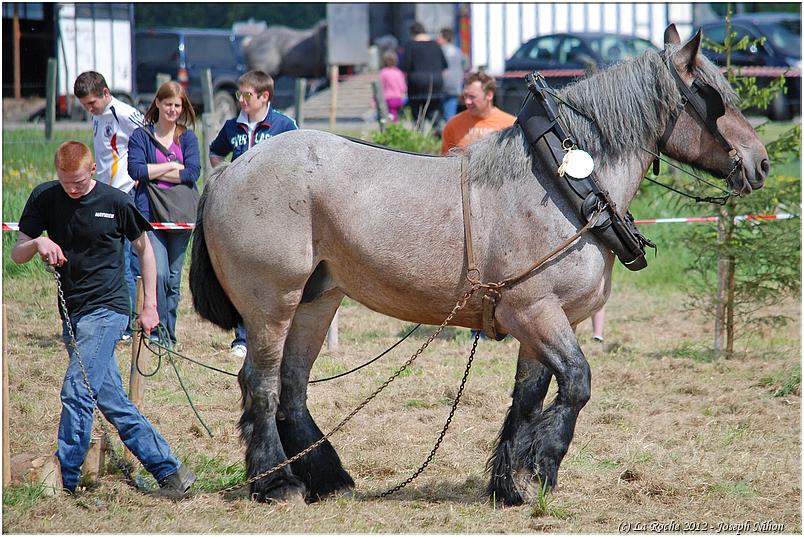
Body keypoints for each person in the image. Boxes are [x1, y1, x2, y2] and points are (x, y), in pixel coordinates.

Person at [11, 141, 195, 497]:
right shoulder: (44, 198)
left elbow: (146, 252)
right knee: (112, 401)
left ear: (93, 169)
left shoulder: (116, 202)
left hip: (108, 310)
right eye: (65, 182)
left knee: (77, 390)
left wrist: (150, 306)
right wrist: (38, 244)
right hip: (73, 315)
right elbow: (18, 253)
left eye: (79, 182)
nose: (72, 189)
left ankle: (65, 479)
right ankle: (171, 471)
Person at [209, 69, 298, 358]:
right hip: (241, 213)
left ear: (264, 96)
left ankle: (278, 336)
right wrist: (226, 175)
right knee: (244, 275)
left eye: (247, 95)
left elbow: (299, 161)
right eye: (240, 94)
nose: (241, 100)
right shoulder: (232, 127)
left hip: (275, 213)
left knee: (274, 276)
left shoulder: (284, 125)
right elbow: (215, 153)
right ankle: (242, 338)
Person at [127, 81, 201, 348]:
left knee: (173, 278)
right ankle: (156, 331)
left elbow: (192, 173)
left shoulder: (188, 138)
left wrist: (153, 171)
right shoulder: (141, 136)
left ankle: (169, 334)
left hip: (181, 215)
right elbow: (136, 171)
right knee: (157, 274)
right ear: (157, 103)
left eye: (177, 105)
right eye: (168, 104)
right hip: (150, 215)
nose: (172, 110)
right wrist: (171, 166)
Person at [74, 71, 144, 341]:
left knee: (124, 262)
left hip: (124, 195)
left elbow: (149, 136)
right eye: (85, 105)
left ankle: (129, 325)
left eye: (92, 103)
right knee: (113, 260)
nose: (89, 109)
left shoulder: (123, 113)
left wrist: (140, 175)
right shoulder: (98, 115)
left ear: (105, 93)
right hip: (104, 194)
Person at [441, 71, 516, 155]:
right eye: (465, 96)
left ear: (489, 95)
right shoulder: (453, 124)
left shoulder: (511, 124)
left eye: (472, 97)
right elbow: (445, 159)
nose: (467, 101)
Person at [400, 22, 447, 126]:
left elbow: (405, 66)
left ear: (412, 33)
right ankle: (440, 131)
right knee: (434, 113)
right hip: (436, 82)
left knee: (418, 115)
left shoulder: (410, 45)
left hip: (417, 84)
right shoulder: (435, 45)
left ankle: (419, 132)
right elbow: (444, 66)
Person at [436, 27, 467, 122]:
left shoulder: (440, 50)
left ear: (444, 38)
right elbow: (465, 64)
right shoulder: (458, 51)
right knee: (451, 111)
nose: (437, 39)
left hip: (443, 83)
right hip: (456, 84)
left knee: (439, 112)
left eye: (439, 37)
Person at [379, 50, 407, 122]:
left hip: (388, 98)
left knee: (391, 116)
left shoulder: (383, 72)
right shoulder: (398, 72)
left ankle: (393, 126)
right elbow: (403, 88)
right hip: (399, 98)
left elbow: (380, 87)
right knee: (395, 114)